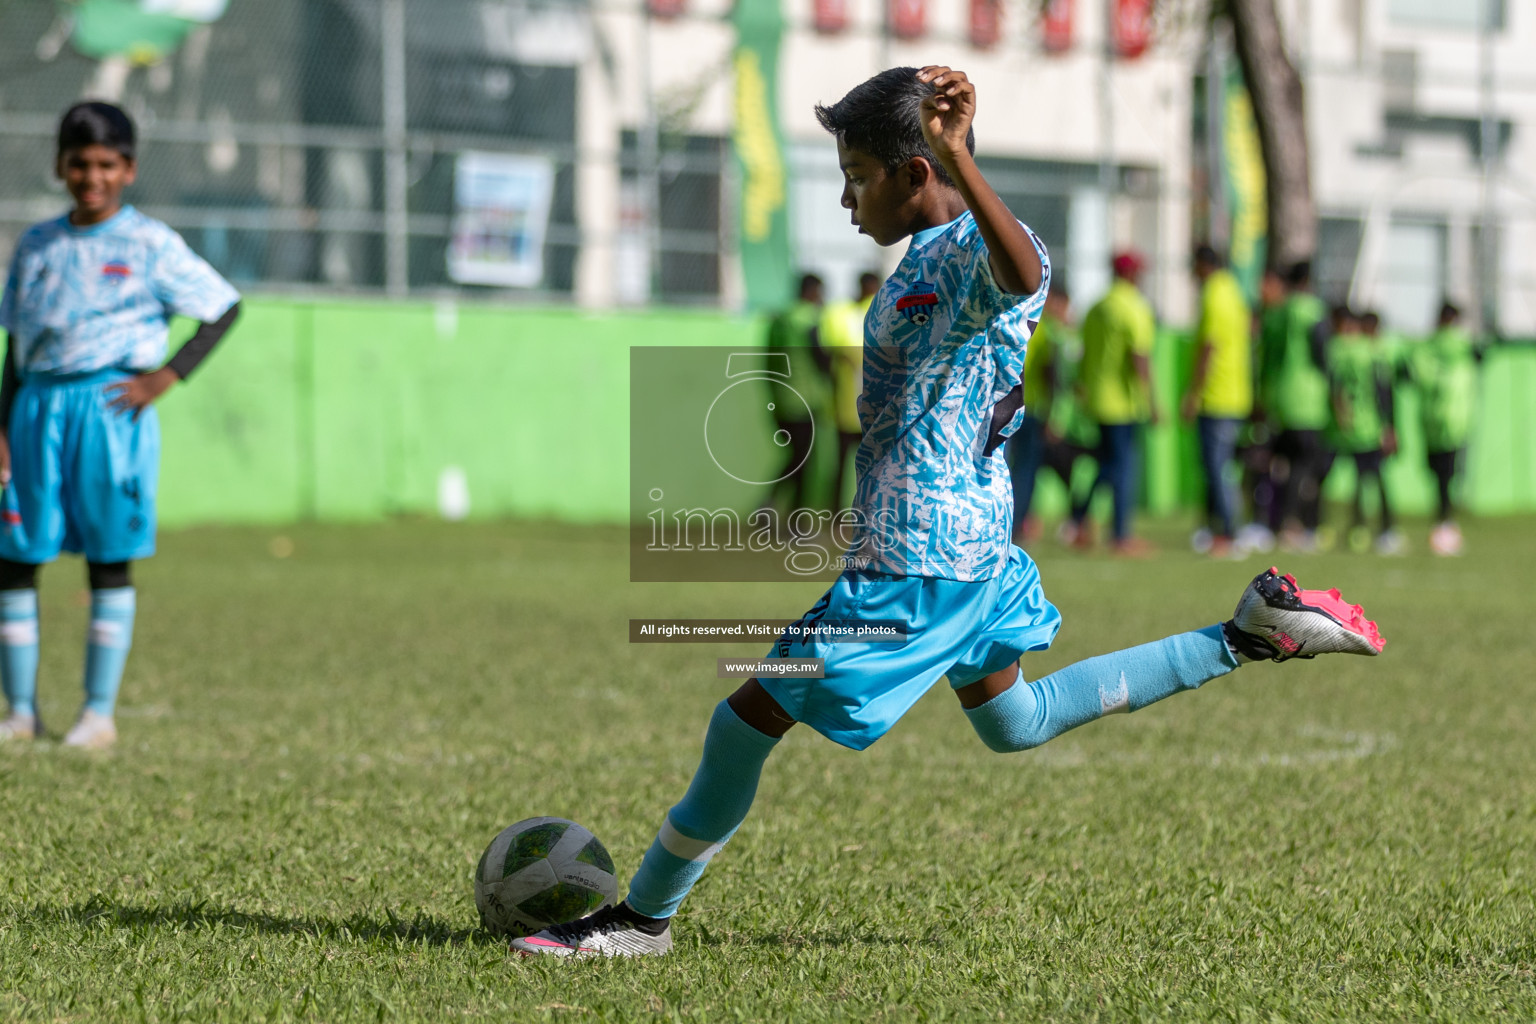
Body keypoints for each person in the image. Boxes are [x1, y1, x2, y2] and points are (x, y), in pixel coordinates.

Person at [510, 66, 1384, 958]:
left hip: (918, 566)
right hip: (966, 550)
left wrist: (962, 157)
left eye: (858, 175)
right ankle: (1244, 634)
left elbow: (1026, 269)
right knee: (1018, 722)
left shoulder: (968, 251)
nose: (848, 199)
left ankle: (642, 920)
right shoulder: (925, 261)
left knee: (742, 722)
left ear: (913, 171)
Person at [0, 102, 241, 748]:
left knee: (109, 558)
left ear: (129, 168)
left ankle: (96, 714)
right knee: (15, 557)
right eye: (80, 164)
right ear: (60, 167)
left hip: (110, 411)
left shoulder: (149, 244)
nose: (92, 176)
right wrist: (2, 426)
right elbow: (15, 346)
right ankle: (21, 713)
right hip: (34, 409)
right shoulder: (36, 245)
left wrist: (164, 378)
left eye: (107, 164)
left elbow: (222, 307)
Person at [1068, 250, 1157, 555]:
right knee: (1121, 468)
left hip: (1097, 398)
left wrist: (1082, 387)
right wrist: (1152, 400)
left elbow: (1084, 353)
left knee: (1106, 465)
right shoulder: (1133, 305)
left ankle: (1078, 520)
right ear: (1132, 275)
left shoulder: (1096, 307)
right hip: (1123, 402)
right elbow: (1139, 357)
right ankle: (1120, 534)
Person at [1182, 245, 1252, 558]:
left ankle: (1229, 531)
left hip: (1217, 395)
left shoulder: (1212, 293)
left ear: (1203, 264)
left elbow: (1208, 347)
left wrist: (1193, 393)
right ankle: (1215, 530)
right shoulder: (1234, 290)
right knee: (1218, 466)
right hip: (1236, 393)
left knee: (1217, 467)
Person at [1265, 261, 1333, 552]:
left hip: (1281, 395)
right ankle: (1298, 525)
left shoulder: (1277, 313)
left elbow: (1269, 356)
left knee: (1281, 464)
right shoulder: (1313, 310)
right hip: (1308, 399)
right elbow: (1322, 354)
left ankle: (1273, 522)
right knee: (1307, 467)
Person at [1327, 306, 1401, 554]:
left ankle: (1358, 529)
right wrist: (1389, 426)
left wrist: (1341, 412)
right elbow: (1384, 392)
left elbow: (1336, 389)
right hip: (1371, 427)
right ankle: (1386, 530)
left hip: (1351, 427)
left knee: (1360, 479)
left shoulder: (1340, 351)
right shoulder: (1374, 353)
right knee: (1376, 479)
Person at [1406, 301, 1479, 556]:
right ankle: (1445, 526)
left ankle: (1443, 525)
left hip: (1432, 421)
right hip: (1456, 422)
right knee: (1448, 477)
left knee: (1439, 477)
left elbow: (1415, 375)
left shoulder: (1426, 348)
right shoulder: (1464, 346)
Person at [761, 273, 830, 517]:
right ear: (812, 292)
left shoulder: (779, 320)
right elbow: (822, 359)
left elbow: (767, 360)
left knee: (795, 456)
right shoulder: (809, 319)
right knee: (803, 461)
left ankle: (770, 503)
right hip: (805, 399)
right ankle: (796, 520)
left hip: (780, 398)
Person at [1007, 285, 1071, 544]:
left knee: (1008, 470)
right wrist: (1052, 413)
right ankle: (1018, 525)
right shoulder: (1047, 332)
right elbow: (1051, 376)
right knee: (1025, 472)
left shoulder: (1016, 322)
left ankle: (1011, 524)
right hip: (1030, 410)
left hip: (1006, 410)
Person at [818, 271, 880, 510]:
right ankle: (838, 512)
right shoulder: (843, 314)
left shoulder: (878, 312)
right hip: (847, 408)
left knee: (869, 467)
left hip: (871, 409)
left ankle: (865, 511)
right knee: (845, 465)